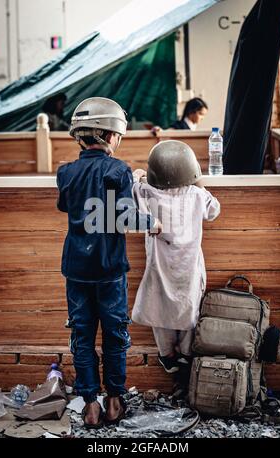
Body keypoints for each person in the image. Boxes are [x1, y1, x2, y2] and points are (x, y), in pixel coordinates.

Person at [56, 97, 162, 429]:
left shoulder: (66, 173)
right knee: (115, 334)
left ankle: (90, 405)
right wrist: (152, 223)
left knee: (82, 334)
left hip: (76, 268)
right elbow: (126, 216)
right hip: (109, 268)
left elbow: (66, 207)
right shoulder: (118, 170)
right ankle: (114, 401)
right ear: (109, 135)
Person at [131, 140, 220, 401]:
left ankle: (168, 357)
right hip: (190, 271)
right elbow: (214, 210)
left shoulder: (146, 192)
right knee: (190, 314)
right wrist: (199, 181)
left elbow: (134, 183)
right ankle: (185, 362)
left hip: (160, 271)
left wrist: (139, 175)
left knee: (160, 314)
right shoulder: (196, 195)